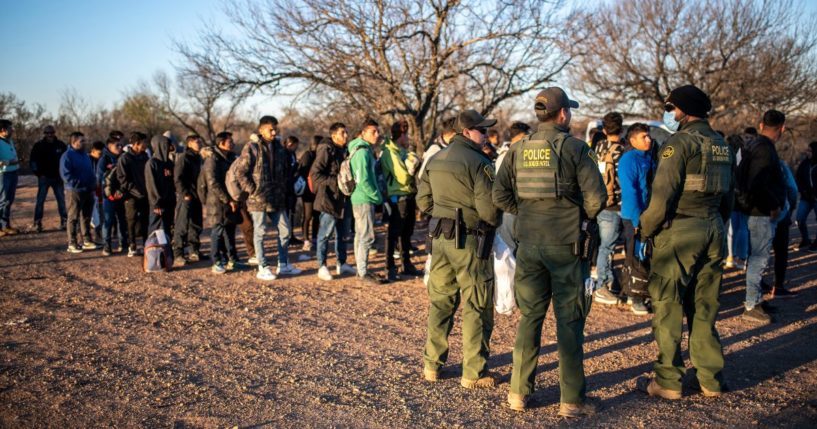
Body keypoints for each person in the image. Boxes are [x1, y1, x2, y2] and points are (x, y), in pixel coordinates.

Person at [493, 88, 606, 416]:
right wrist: (577, 217)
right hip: (567, 247)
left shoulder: (518, 150)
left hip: (529, 244)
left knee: (530, 317)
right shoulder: (575, 149)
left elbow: (500, 195)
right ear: (562, 114)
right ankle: (571, 400)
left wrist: (527, 212)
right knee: (569, 321)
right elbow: (596, 199)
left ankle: (518, 392)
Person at [638, 84, 733, 400]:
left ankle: (668, 380)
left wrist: (645, 230)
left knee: (668, 306)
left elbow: (662, 196)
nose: (670, 113)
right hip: (714, 229)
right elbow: (729, 196)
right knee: (705, 306)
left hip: (681, 233)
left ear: (683, 110)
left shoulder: (678, 144)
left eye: (672, 108)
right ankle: (710, 379)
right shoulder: (721, 144)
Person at [419, 109, 500, 391]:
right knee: (476, 304)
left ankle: (432, 365)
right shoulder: (480, 163)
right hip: (469, 242)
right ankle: (473, 372)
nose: (486, 134)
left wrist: (442, 214)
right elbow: (489, 211)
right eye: (482, 130)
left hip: (439, 239)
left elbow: (423, 201)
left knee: (440, 302)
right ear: (466, 132)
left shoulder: (435, 158)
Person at [235, 116, 301, 281]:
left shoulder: (279, 147)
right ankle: (263, 267)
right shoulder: (251, 147)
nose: (274, 132)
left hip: (277, 197)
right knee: (260, 231)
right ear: (261, 130)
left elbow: (285, 170)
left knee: (285, 230)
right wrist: (253, 190)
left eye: (275, 129)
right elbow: (241, 172)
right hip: (258, 199)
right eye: (270, 129)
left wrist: (284, 187)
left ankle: (283, 264)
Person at [739, 110, 788, 323]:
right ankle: (751, 305)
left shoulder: (756, 145)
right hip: (761, 212)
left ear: (761, 125)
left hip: (757, 210)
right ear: (782, 127)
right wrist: (773, 205)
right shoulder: (764, 149)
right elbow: (758, 183)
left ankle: (756, 298)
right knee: (759, 259)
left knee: (757, 258)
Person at [617, 123, 656, 315]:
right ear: (632, 140)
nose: (648, 139)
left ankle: (644, 293)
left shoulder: (649, 158)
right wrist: (635, 220)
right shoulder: (628, 160)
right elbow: (630, 191)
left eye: (648, 136)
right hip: (634, 217)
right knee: (635, 257)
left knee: (646, 257)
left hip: (650, 215)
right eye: (643, 137)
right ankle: (634, 297)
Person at [310, 123, 356, 281]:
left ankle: (341, 263)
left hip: (344, 199)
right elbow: (315, 174)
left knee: (343, 234)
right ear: (334, 135)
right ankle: (321, 266)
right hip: (328, 199)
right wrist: (337, 181)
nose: (346, 136)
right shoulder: (326, 149)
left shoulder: (346, 150)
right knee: (325, 234)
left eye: (346, 132)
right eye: (342, 133)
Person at [380, 120, 422, 281]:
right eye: (407, 135)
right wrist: (412, 161)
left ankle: (406, 265)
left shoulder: (401, 151)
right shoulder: (390, 152)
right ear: (402, 135)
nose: (409, 139)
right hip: (398, 198)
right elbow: (403, 176)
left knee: (406, 234)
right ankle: (389, 267)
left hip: (408, 195)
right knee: (393, 234)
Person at [593, 112, 625, 306]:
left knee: (605, 245)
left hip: (600, 202)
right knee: (608, 246)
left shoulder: (598, 147)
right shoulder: (622, 151)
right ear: (621, 130)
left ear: (604, 130)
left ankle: (608, 281)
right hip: (615, 203)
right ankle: (602, 285)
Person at [349, 118, 387, 284]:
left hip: (360, 198)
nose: (377, 135)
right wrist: (376, 196)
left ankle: (361, 270)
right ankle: (363, 273)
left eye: (377, 131)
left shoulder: (360, 149)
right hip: (364, 199)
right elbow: (363, 179)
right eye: (373, 131)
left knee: (360, 234)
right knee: (366, 237)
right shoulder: (363, 152)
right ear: (363, 133)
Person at [205, 131, 241, 274]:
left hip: (232, 201)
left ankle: (232, 260)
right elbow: (213, 183)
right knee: (217, 232)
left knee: (230, 233)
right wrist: (227, 199)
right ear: (221, 144)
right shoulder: (212, 160)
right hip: (218, 203)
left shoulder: (232, 158)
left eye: (232, 141)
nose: (232, 143)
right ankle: (216, 261)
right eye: (229, 141)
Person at [60, 132, 98, 253]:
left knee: (86, 217)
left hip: (88, 190)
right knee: (73, 217)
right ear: (74, 142)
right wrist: (78, 183)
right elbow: (66, 175)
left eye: (84, 140)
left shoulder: (85, 155)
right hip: (75, 191)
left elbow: (90, 171)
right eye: (82, 141)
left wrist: (93, 183)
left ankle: (86, 240)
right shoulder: (67, 156)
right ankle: (72, 243)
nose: (84, 143)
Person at [172, 135, 204, 265]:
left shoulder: (198, 158)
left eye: (200, 141)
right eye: (197, 142)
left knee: (196, 224)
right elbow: (178, 178)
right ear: (189, 144)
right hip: (186, 196)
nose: (200, 144)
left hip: (197, 196)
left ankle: (194, 251)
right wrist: (184, 193)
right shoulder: (184, 158)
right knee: (182, 225)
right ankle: (178, 254)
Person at [117, 132, 150, 257]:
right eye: (144, 142)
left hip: (145, 195)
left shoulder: (145, 156)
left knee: (145, 220)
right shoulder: (124, 158)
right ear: (136, 144)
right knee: (131, 220)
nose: (146, 145)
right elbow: (123, 179)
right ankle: (132, 245)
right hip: (131, 196)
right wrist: (136, 191)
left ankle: (147, 244)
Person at [29, 125, 67, 232]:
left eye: (51, 132)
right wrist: (38, 174)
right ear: (44, 134)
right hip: (44, 178)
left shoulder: (61, 145)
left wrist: (63, 174)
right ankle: (37, 223)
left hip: (58, 178)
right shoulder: (39, 145)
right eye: (47, 133)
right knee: (40, 201)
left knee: (61, 200)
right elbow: (33, 161)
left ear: (55, 133)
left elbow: (66, 160)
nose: (49, 135)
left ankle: (64, 221)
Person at [770, 159, 799, 297]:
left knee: (757, 254)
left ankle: (756, 287)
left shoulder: (750, 161)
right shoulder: (780, 164)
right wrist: (790, 208)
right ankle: (778, 286)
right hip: (780, 213)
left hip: (757, 214)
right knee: (780, 252)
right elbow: (792, 189)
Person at [97, 135, 128, 255]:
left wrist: (122, 193)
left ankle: (123, 243)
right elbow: (100, 179)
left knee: (122, 220)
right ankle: (107, 245)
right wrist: (108, 194)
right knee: (108, 221)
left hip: (121, 195)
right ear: (109, 147)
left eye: (121, 145)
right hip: (108, 197)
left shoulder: (123, 158)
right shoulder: (104, 160)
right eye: (117, 145)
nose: (120, 147)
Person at [724, 134, 748, 269]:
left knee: (734, 229)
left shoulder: (730, 156)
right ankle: (739, 257)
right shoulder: (746, 156)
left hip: (736, 195)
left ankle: (733, 256)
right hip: (741, 196)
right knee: (741, 228)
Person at [145, 135, 176, 237]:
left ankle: (167, 251)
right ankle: (155, 252)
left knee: (167, 230)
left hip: (169, 202)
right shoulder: (152, 163)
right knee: (157, 230)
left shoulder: (169, 163)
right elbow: (151, 185)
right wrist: (156, 204)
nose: (168, 148)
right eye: (166, 145)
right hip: (158, 204)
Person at [297, 135, 321, 257]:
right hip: (308, 191)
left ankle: (315, 238)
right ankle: (306, 240)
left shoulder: (321, 156)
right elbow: (302, 172)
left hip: (318, 191)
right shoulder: (308, 155)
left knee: (317, 215)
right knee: (308, 215)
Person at [794, 141, 817, 252]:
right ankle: (806, 239)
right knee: (799, 218)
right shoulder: (805, 163)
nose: (807, 152)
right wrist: (803, 191)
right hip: (806, 197)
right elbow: (798, 178)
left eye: (809, 150)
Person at [0, 119, 19, 237]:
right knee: (2, 200)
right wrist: (8, 162)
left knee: (9, 200)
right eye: (10, 128)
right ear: (3, 130)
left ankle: (5, 225)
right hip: (3, 174)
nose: (12, 130)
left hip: (13, 172)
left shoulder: (9, 140)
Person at [89, 140, 105, 242]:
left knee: (101, 214)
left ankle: (99, 235)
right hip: (90, 190)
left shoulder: (102, 160)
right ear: (93, 151)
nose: (101, 155)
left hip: (100, 190)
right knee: (90, 215)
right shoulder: (86, 160)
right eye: (99, 153)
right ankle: (88, 236)